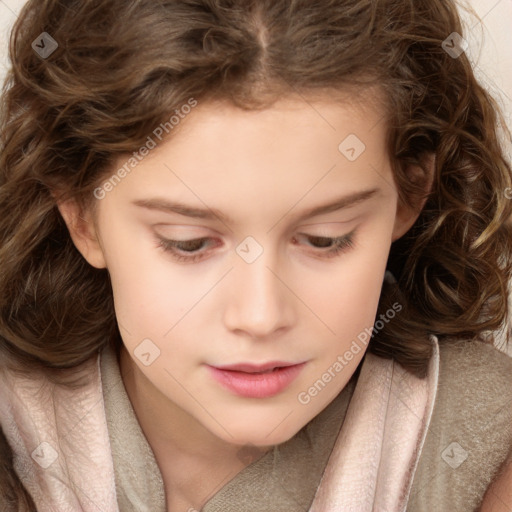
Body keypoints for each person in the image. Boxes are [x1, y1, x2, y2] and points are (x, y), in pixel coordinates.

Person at [0, 0, 511, 511]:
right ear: (81, 217)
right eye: (189, 243)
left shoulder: (483, 437)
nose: (260, 316)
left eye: (325, 238)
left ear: (409, 192)